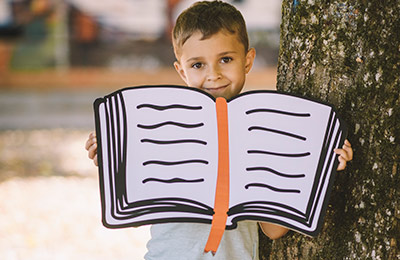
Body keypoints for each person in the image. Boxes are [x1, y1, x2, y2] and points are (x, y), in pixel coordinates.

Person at [85, 1, 353, 259]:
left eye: (225, 59)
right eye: (197, 65)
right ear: (181, 71)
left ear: (247, 61)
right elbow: (136, 205)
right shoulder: (163, 127)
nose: (213, 74)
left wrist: (321, 165)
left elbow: (274, 230)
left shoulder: (264, 132)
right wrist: (112, 157)